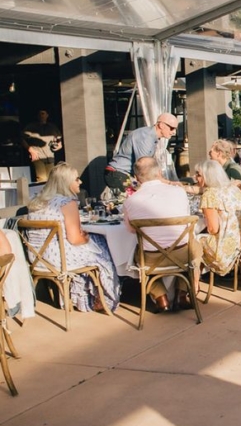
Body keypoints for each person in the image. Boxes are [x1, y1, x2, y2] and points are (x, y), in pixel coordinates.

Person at [25, 164, 120, 313]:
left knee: (95, 243)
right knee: (103, 247)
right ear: (66, 182)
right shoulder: (67, 203)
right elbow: (75, 239)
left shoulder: (36, 202)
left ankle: (84, 294)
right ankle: (103, 297)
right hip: (59, 259)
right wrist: (86, 238)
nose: (80, 182)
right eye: (77, 179)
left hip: (37, 258)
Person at [123, 156, 197, 311]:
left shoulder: (130, 201)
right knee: (197, 249)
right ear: (159, 172)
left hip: (151, 258)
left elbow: (130, 230)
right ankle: (182, 293)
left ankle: (160, 296)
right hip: (183, 254)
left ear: (136, 178)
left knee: (134, 256)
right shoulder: (179, 193)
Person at [194, 160, 241, 277]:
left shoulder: (210, 194)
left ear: (208, 176)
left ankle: (193, 281)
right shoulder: (233, 189)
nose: (195, 177)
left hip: (225, 250)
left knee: (192, 242)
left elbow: (213, 229)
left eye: (198, 174)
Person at [106, 112, 178, 190]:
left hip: (123, 175)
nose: (174, 132)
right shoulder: (145, 137)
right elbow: (144, 168)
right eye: (172, 128)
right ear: (161, 125)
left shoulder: (151, 137)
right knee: (140, 199)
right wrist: (168, 183)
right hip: (119, 174)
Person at [22, 109, 62, 182]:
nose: (41, 115)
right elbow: (22, 139)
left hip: (49, 156)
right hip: (38, 156)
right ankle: (43, 193)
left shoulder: (52, 127)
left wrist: (57, 147)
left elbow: (59, 143)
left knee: (51, 179)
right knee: (41, 178)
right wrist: (31, 150)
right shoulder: (31, 127)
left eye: (43, 113)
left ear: (47, 115)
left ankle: (49, 193)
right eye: (39, 114)